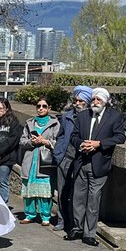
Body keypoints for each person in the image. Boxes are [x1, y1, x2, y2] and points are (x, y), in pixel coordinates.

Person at [67, 88, 126, 246]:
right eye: (93, 99)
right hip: (82, 161)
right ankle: (77, 228)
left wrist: (99, 144)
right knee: (78, 198)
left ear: (105, 101)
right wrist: (82, 144)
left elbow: (120, 137)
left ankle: (89, 233)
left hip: (99, 163)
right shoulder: (82, 116)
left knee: (93, 200)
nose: (95, 102)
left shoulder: (114, 116)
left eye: (98, 100)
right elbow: (73, 136)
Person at [51, 86, 92, 233]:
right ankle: (62, 220)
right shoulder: (67, 116)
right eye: (76, 100)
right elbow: (60, 135)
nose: (78, 103)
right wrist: (58, 152)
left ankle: (75, 224)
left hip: (81, 159)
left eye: (81, 101)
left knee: (78, 194)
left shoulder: (90, 117)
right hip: (65, 157)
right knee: (63, 192)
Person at [18, 97, 61, 225]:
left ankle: (45, 216)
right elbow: (22, 141)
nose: (41, 108)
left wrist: (45, 142)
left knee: (45, 190)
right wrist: (31, 142)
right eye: (38, 106)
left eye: (44, 106)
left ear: (49, 108)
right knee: (29, 188)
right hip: (31, 160)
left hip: (45, 160)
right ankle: (29, 214)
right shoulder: (29, 123)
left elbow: (58, 142)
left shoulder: (55, 124)